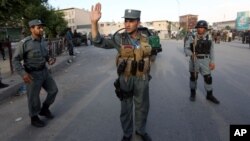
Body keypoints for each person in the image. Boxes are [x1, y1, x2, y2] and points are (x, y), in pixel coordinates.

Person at [91, 3, 152, 141]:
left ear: (138, 22)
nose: (128, 24)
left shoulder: (146, 37)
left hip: (142, 78)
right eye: (126, 20)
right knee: (126, 108)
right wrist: (94, 23)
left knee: (142, 107)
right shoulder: (119, 38)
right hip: (126, 78)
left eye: (131, 21)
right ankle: (127, 133)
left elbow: (152, 54)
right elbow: (98, 41)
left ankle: (141, 131)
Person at [12, 19, 58, 127]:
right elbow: (15, 60)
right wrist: (23, 74)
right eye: (39, 27)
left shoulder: (43, 40)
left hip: (44, 71)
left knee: (53, 90)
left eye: (42, 27)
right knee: (33, 98)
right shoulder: (25, 43)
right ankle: (34, 117)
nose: (42, 29)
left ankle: (44, 109)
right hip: (32, 74)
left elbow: (45, 55)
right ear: (31, 29)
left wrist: (49, 59)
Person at [184, 20, 220, 104]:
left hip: (205, 60)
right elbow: (186, 49)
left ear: (205, 29)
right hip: (194, 60)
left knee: (208, 78)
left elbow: (211, 51)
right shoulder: (191, 37)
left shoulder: (209, 37)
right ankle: (193, 93)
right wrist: (191, 54)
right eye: (199, 27)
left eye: (202, 28)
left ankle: (209, 95)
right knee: (193, 77)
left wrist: (212, 62)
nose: (200, 29)